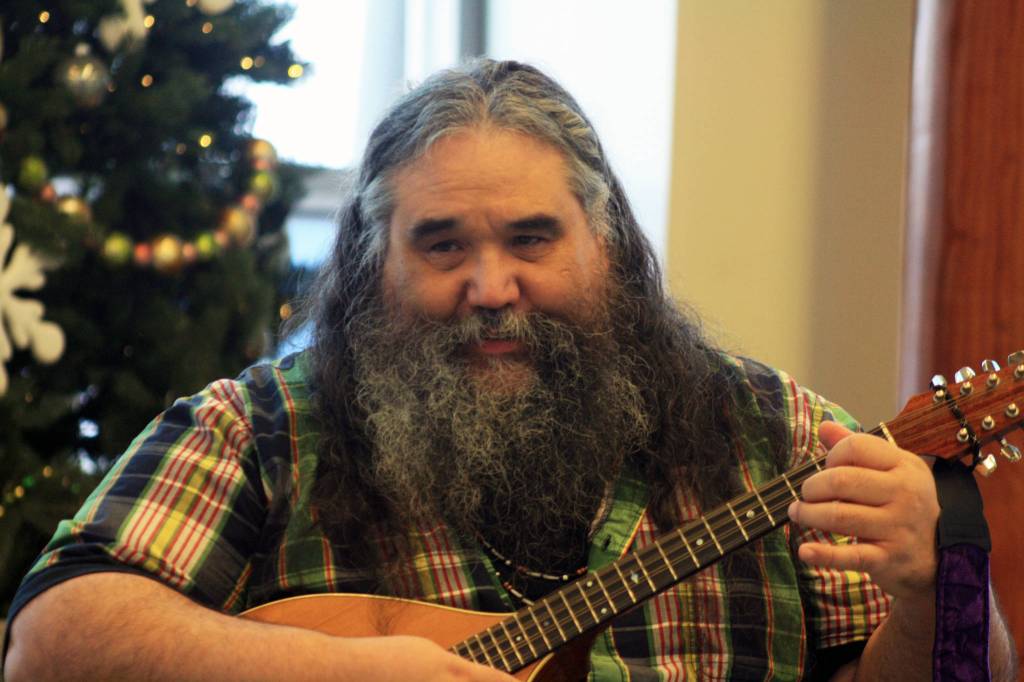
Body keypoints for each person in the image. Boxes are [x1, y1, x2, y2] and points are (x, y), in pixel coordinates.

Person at [3, 59, 1017, 681]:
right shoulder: (261, 427)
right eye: (442, 244)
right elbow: (53, 641)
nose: (492, 286)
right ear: (373, 260)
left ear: (608, 243)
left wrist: (940, 588)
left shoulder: (779, 432)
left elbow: (969, 671)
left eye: (532, 237)